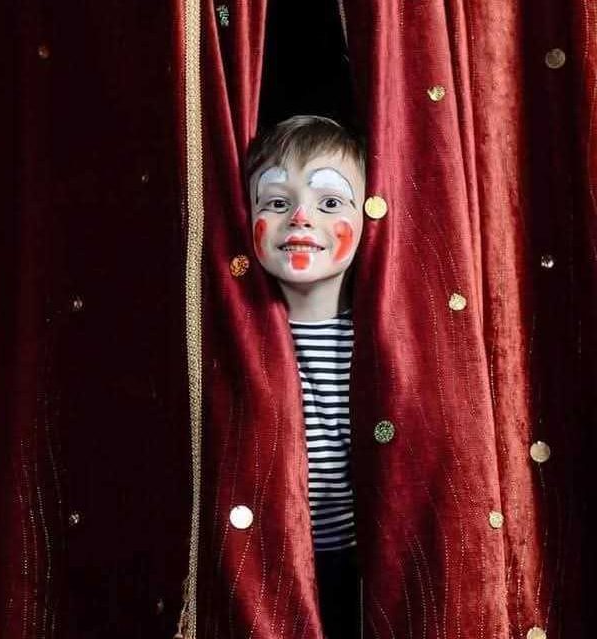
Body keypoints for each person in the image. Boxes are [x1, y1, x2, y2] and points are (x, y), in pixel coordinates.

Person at [244, 115, 366, 638]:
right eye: (275, 201)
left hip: (356, 572)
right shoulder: (235, 340)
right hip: (263, 572)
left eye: (330, 202)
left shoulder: (384, 343)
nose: (300, 216)